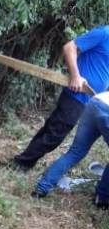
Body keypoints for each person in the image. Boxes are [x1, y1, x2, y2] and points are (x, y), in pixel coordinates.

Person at [13, 26, 109, 170]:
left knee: (51, 128)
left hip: (91, 100)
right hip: (77, 94)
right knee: (55, 134)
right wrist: (76, 76)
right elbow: (69, 47)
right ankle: (22, 164)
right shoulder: (104, 33)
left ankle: (23, 161)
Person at [34, 91, 109, 208]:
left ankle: (41, 188)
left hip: (94, 102)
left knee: (75, 152)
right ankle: (102, 198)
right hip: (106, 109)